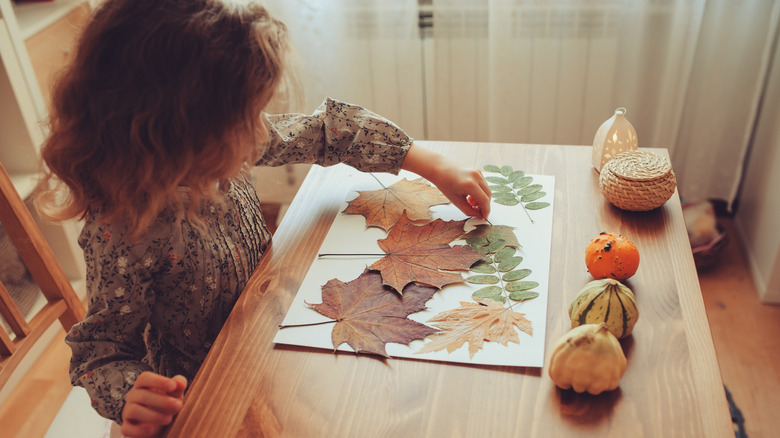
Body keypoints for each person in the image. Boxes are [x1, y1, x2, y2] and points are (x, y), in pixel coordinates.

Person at [35, 1, 491, 437]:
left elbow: (326, 131)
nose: (260, 132)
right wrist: (131, 398)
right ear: (174, 131)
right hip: (207, 390)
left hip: (271, 326)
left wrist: (431, 164)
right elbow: (100, 353)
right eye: (246, 118)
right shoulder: (122, 230)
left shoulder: (217, 145)